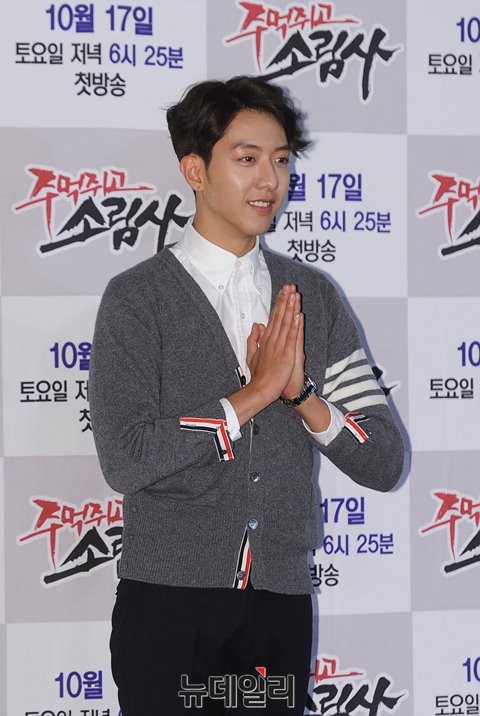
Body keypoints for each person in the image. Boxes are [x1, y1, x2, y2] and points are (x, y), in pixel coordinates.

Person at [89, 75, 404, 715]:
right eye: (247, 158)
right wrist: (252, 396)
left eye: (281, 160)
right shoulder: (137, 298)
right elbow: (126, 458)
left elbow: (384, 460)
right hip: (170, 606)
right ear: (195, 170)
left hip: (278, 608)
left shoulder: (312, 297)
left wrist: (301, 395)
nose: (270, 180)